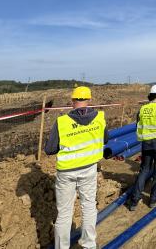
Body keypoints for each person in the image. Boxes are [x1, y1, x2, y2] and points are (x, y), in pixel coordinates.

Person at [45, 86, 108, 249]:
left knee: (64, 213)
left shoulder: (62, 122)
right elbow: (105, 139)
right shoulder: (100, 118)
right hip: (88, 169)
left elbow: (50, 149)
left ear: (73, 101)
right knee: (88, 207)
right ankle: (89, 245)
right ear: (89, 100)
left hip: (66, 172)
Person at [128, 85, 156, 211]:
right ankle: (154, 199)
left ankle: (134, 200)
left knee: (144, 170)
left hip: (146, 144)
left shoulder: (142, 109)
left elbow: (138, 126)